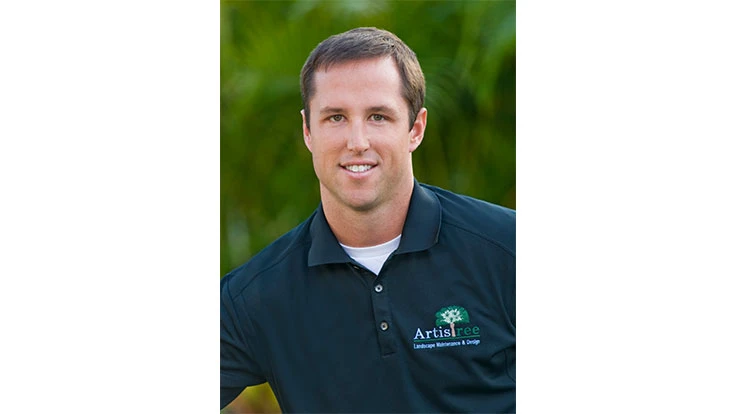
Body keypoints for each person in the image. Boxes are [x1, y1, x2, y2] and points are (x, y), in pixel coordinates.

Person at [221, 27, 515, 413]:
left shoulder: (509, 249)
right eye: (335, 117)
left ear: (415, 129)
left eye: (378, 116)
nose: (357, 141)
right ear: (308, 131)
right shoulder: (257, 295)